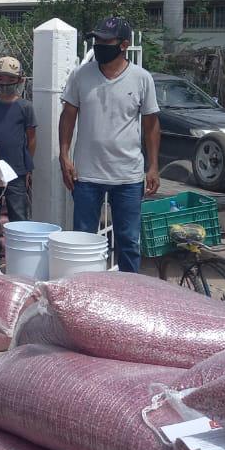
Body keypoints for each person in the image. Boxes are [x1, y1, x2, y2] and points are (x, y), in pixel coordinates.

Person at [59, 17, 160, 273]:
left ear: (124, 45)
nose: (100, 44)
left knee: (128, 242)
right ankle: (84, 294)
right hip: (86, 175)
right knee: (83, 241)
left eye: (107, 41)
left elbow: (151, 125)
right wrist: (64, 156)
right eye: (97, 40)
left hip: (127, 176)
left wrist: (153, 166)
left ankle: (127, 298)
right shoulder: (81, 76)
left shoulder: (141, 78)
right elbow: (68, 116)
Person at [0, 57, 37, 270]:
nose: (4, 82)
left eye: (10, 78)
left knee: (18, 216)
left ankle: (18, 257)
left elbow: (31, 139)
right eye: (1, 77)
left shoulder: (25, 107)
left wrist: (27, 167)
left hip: (17, 171)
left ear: (19, 80)